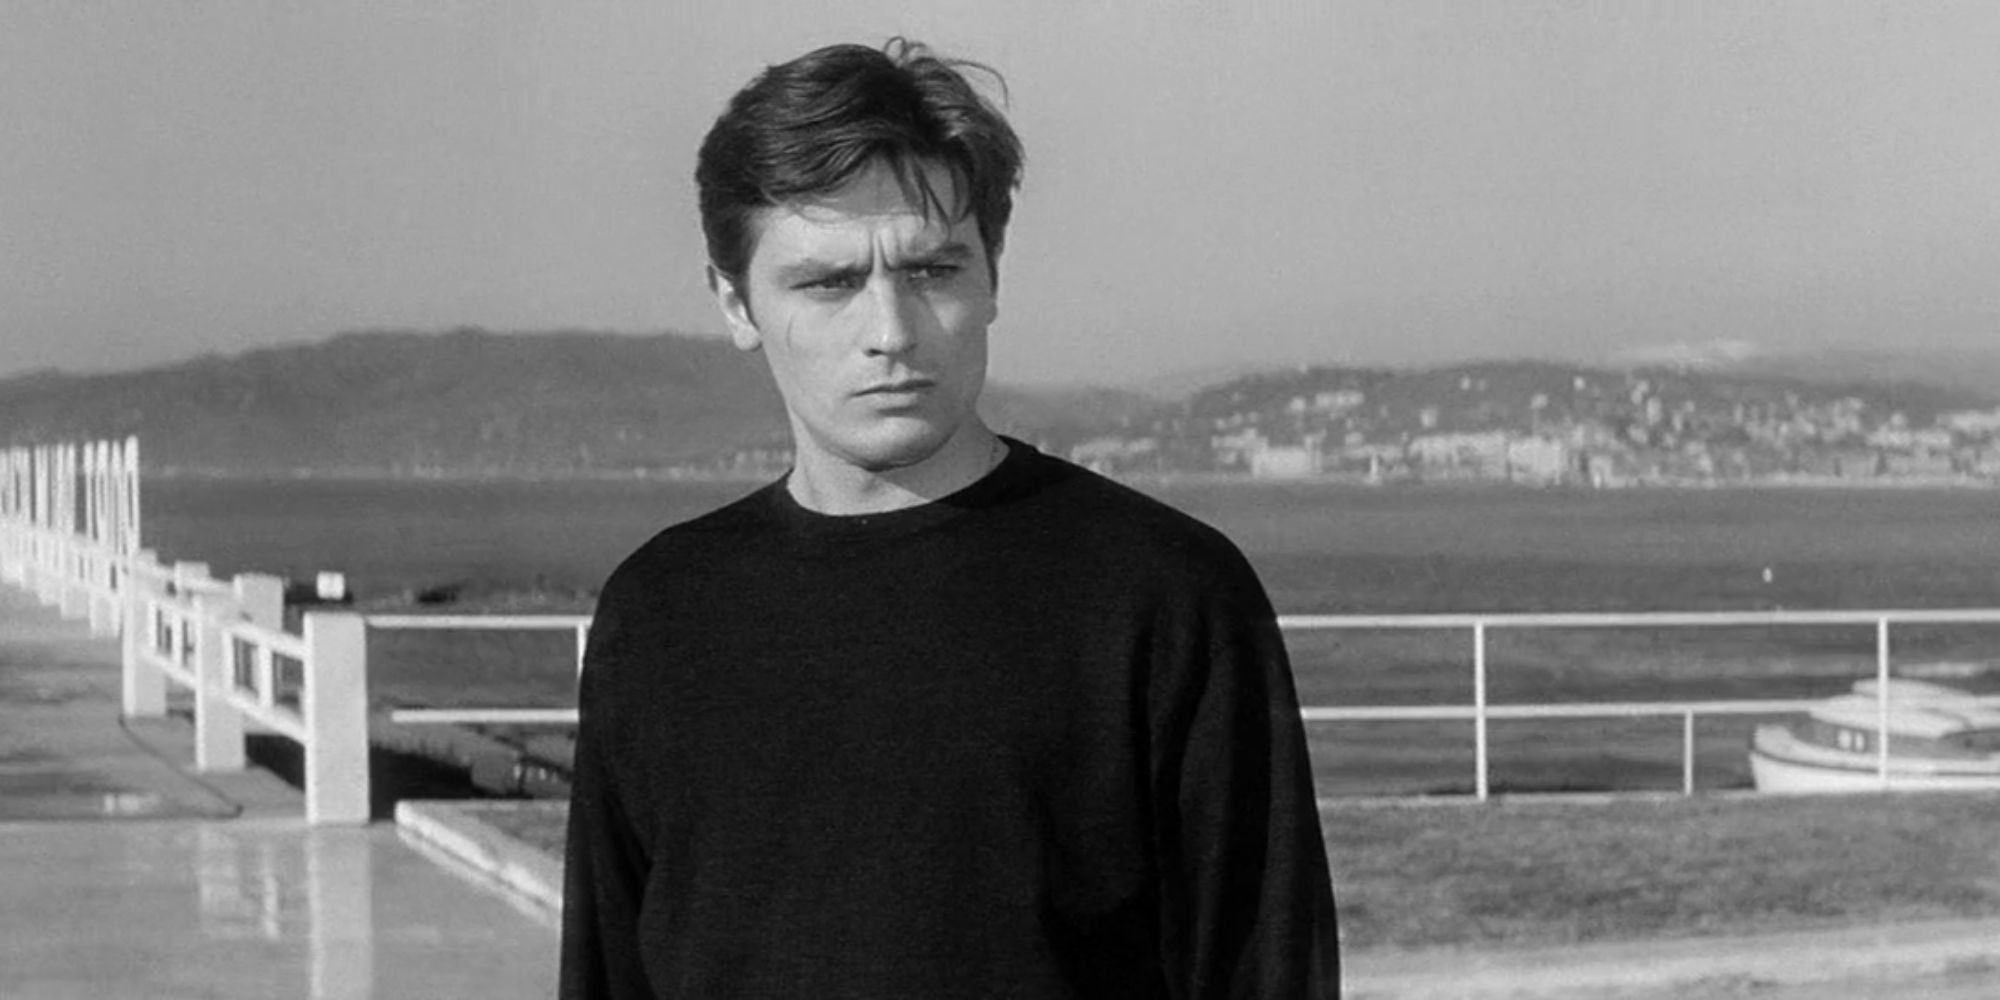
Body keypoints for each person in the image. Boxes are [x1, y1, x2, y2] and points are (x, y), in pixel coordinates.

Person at [561, 38, 1340, 999]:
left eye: (932, 270)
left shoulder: (1165, 596)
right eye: (828, 282)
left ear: (993, 276)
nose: (890, 331)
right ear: (734, 300)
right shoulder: (660, 610)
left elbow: (1260, 968)